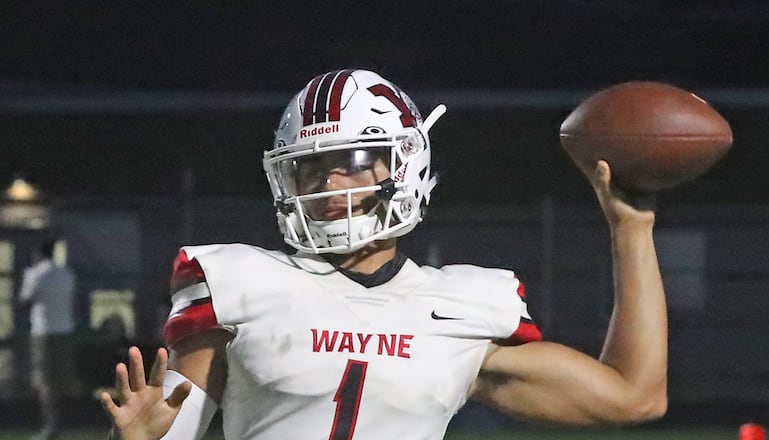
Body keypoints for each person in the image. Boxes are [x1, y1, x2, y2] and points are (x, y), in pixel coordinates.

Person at [101, 69, 667, 439]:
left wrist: (631, 229)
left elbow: (634, 397)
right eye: (309, 166)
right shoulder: (242, 285)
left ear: (400, 167)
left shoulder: (464, 309)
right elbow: (169, 431)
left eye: (345, 161)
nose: (325, 184)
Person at [18, 238, 78, 440]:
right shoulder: (67, 274)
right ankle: (62, 423)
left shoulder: (35, 274)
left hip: (43, 332)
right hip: (65, 331)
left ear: (39, 253)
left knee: (45, 381)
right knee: (62, 378)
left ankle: (50, 425)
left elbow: (25, 299)